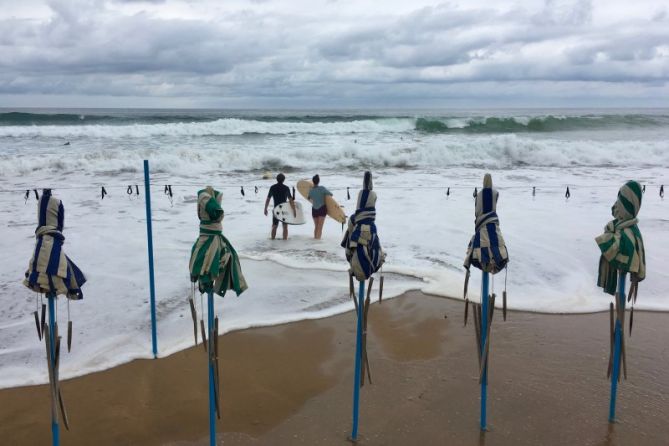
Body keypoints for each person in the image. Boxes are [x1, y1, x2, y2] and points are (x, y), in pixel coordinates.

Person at [264, 173, 296, 240]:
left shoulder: (272, 188)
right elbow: (290, 200)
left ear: (277, 179)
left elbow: (268, 199)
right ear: (284, 180)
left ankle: (272, 240)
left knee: (274, 226)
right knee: (285, 226)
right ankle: (285, 241)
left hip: (276, 209)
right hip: (284, 210)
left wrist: (265, 208)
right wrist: (294, 210)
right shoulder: (286, 188)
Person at [307, 174, 332, 240]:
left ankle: (315, 240)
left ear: (313, 181)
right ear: (319, 181)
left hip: (314, 210)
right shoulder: (322, 188)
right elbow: (330, 194)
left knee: (316, 227)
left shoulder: (311, 190)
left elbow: (309, 198)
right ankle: (317, 243)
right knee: (320, 227)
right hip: (322, 209)